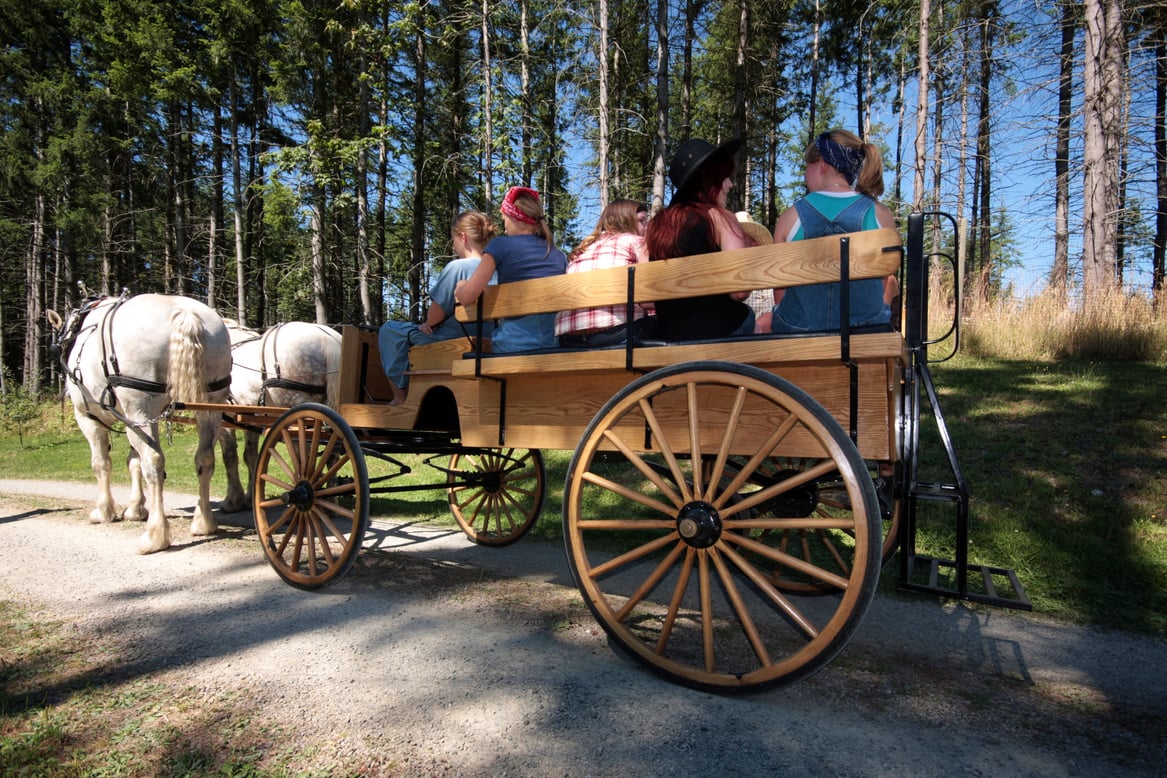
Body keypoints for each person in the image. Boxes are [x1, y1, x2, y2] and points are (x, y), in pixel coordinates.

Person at [762, 129, 898, 334]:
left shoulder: (791, 217)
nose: (804, 173)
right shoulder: (880, 214)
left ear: (822, 165)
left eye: (806, 167)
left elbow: (780, 290)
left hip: (800, 329)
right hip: (865, 329)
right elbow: (883, 280)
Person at [378, 211, 497, 404]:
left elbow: (435, 314)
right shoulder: (496, 266)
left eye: (454, 240)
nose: (454, 245)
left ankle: (400, 397)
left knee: (390, 331)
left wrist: (428, 323)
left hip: (453, 338)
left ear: (463, 237)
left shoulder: (458, 267)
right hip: (490, 337)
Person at [643, 138, 755, 340]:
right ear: (710, 181)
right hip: (719, 334)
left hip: (670, 335)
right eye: (726, 177)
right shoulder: (719, 217)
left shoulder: (658, 226)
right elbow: (740, 291)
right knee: (751, 316)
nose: (730, 184)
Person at [454, 186, 567, 352]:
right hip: (551, 345)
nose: (504, 226)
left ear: (515, 217)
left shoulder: (500, 245)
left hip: (511, 345)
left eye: (504, 218)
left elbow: (467, 297)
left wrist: (460, 287)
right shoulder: (558, 254)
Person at [555, 199, 659, 348]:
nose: (646, 227)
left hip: (568, 340)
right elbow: (647, 299)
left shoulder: (583, 249)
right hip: (616, 334)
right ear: (625, 219)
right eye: (642, 221)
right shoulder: (636, 242)